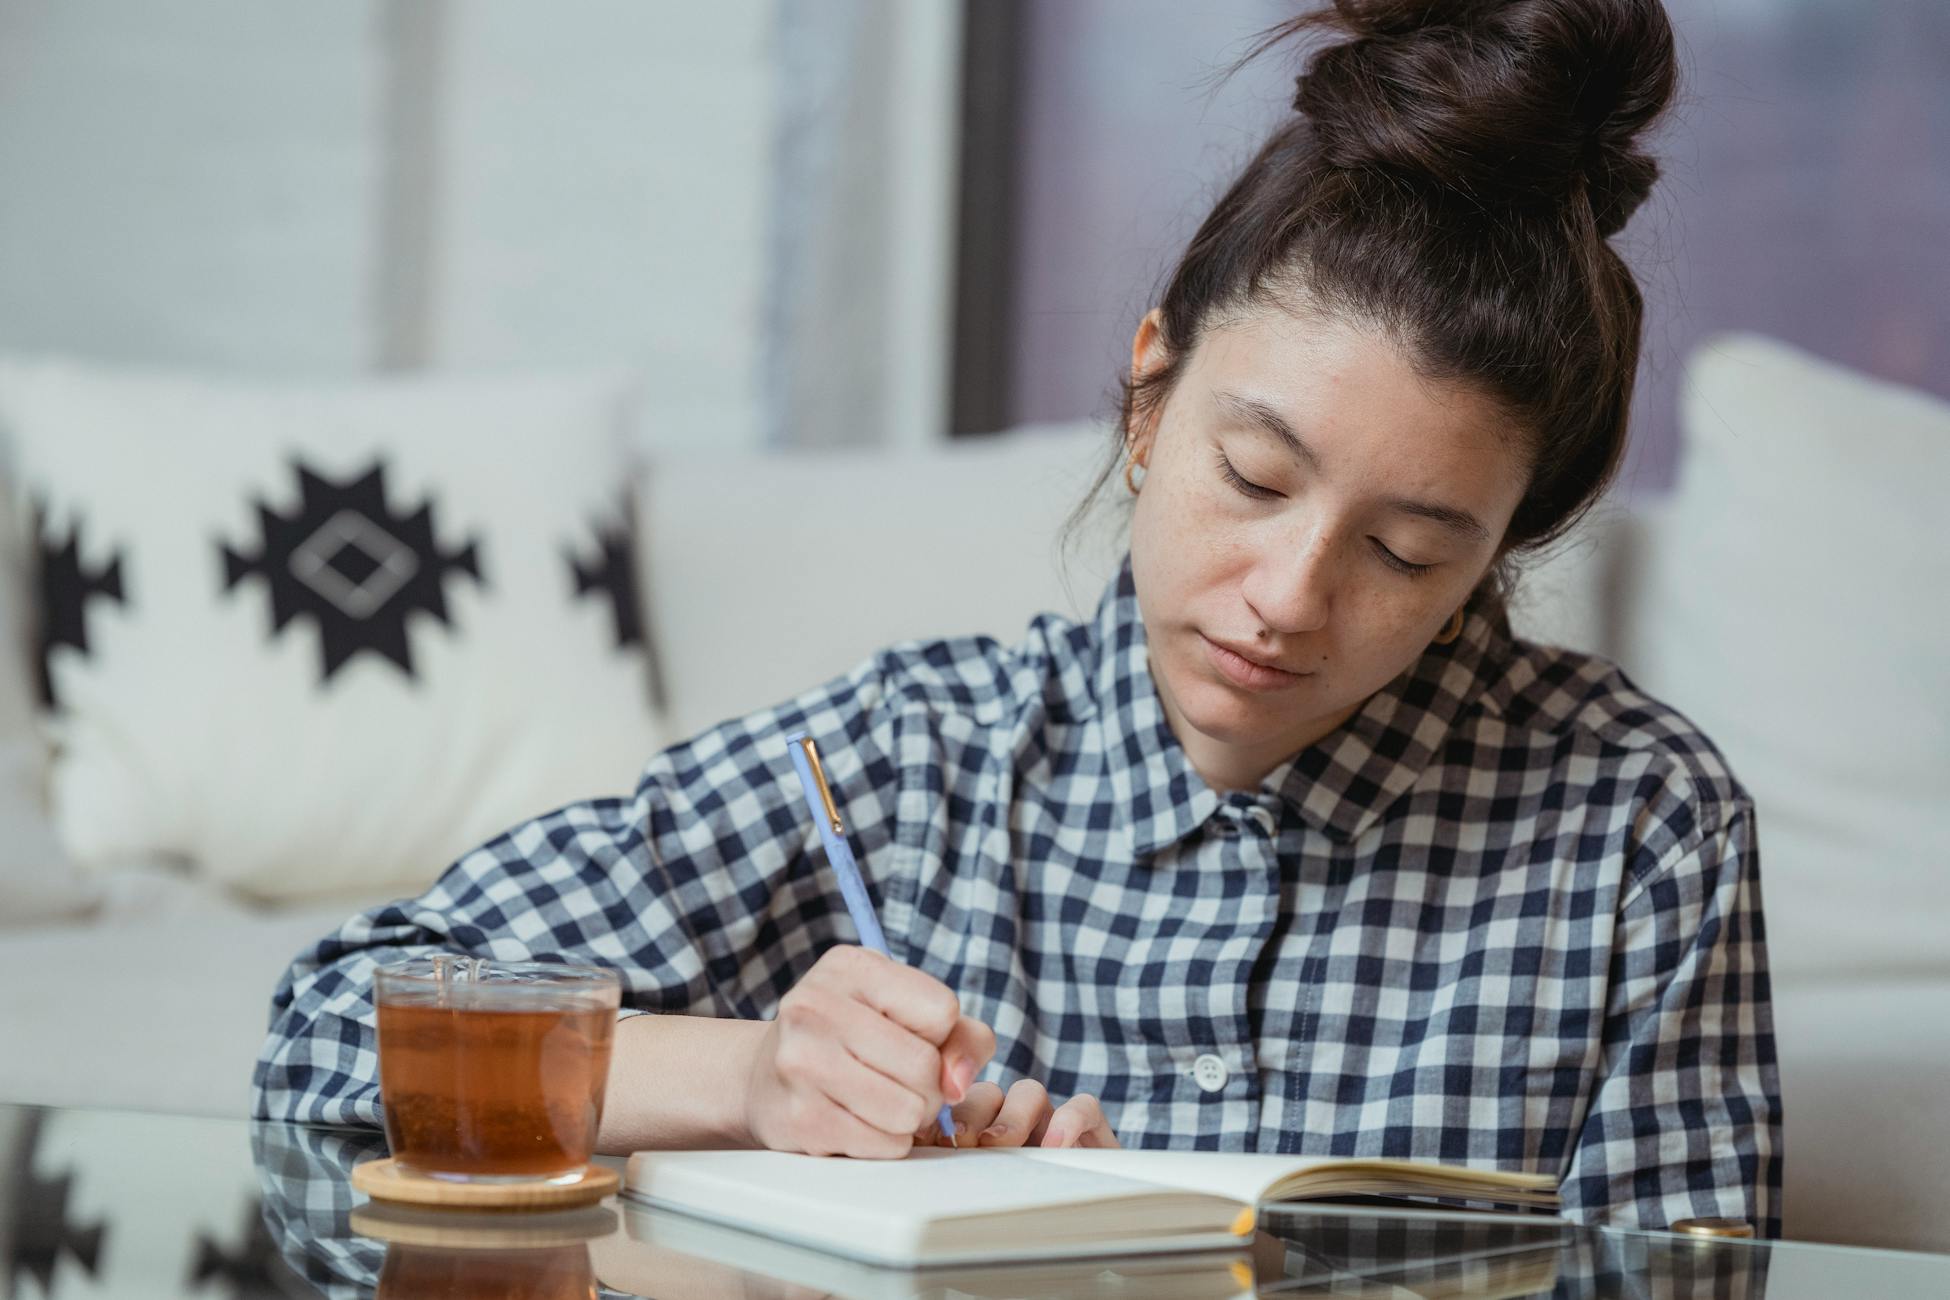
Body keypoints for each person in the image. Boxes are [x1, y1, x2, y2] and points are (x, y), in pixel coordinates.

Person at [255, 0, 1782, 1235]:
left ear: (1505, 545)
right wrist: (754, 1077)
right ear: (1145, 393)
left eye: (1404, 552)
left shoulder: (1637, 822)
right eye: (1251, 477)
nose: (1287, 599)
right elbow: (328, 1039)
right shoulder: (918, 756)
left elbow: (1690, 1279)